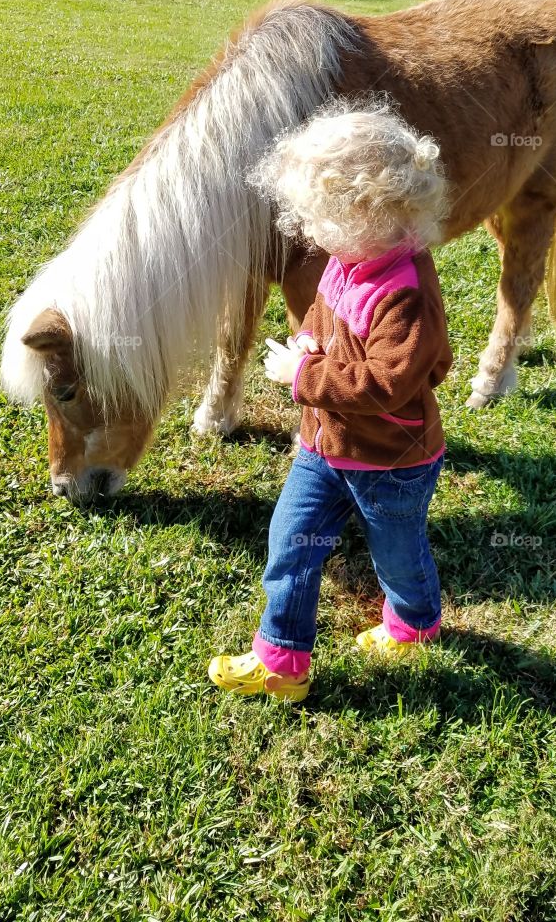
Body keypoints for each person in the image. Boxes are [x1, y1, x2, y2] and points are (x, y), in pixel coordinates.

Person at [208, 101, 454, 702]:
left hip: (392, 460)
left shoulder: (406, 293)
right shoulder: (349, 259)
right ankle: (282, 660)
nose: (309, 233)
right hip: (325, 448)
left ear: (370, 215)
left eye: (320, 220)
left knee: (397, 553)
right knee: (291, 542)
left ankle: (415, 622)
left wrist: (304, 374)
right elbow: (325, 311)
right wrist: (309, 339)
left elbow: (386, 384)